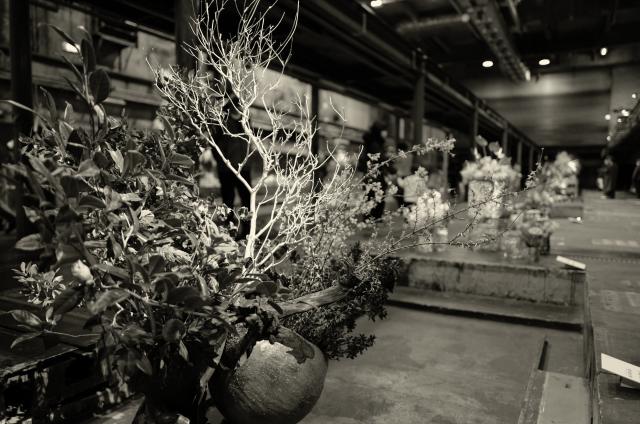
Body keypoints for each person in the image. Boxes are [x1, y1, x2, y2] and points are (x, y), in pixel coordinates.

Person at [358, 119, 391, 221]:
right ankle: (373, 218)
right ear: (379, 131)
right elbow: (380, 159)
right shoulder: (375, 144)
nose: (386, 133)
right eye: (384, 130)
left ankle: (370, 218)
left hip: (371, 175)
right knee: (376, 196)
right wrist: (391, 165)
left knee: (371, 196)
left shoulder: (372, 143)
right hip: (375, 175)